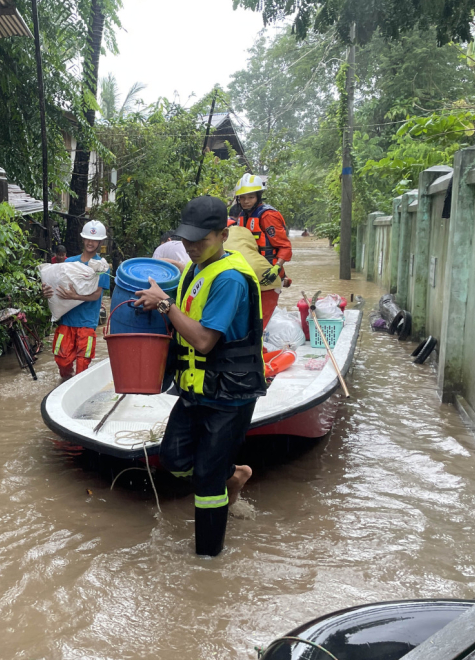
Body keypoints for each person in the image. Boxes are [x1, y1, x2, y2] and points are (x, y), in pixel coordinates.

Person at [135, 196, 266, 557]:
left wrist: (165, 303)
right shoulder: (196, 269)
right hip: (196, 389)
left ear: (223, 234)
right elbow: (179, 315)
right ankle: (235, 474)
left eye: (201, 240)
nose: (192, 247)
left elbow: (204, 340)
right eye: (187, 240)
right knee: (174, 459)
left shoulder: (230, 280)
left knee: (206, 480)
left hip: (230, 394)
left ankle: (208, 562)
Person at [42, 220, 111, 379]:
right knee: (62, 360)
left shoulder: (102, 267)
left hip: (86, 322)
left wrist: (75, 296)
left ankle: (77, 390)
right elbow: (56, 286)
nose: (90, 243)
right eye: (87, 239)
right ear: (83, 239)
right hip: (67, 320)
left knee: (83, 363)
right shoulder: (69, 262)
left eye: (94, 240)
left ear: (100, 242)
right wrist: (46, 292)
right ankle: (65, 383)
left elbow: (96, 295)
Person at [233, 173, 293, 331]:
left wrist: (277, 268)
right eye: (242, 198)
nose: (246, 201)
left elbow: (285, 246)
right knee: (246, 320)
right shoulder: (241, 216)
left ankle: (257, 352)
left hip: (268, 274)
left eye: (250, 197)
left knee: (260, 321)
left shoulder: (268, 216)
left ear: (258, 197)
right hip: (247, 273)